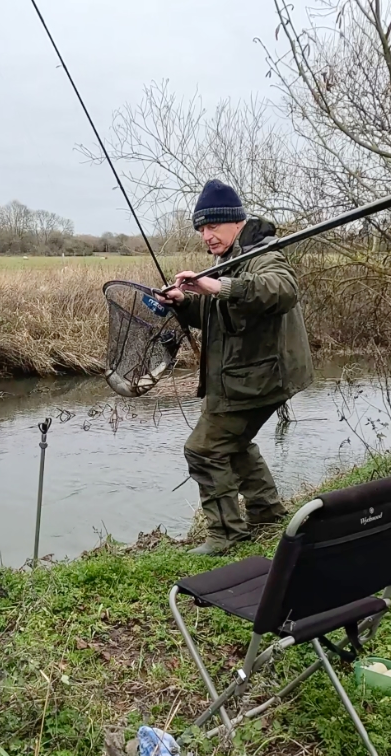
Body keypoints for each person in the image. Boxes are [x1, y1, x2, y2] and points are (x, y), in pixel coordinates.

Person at [157, 179, 313, 554]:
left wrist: (218, 286)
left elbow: (282, 290)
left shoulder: (263, 254)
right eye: (201, 229)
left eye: (212, 226)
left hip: (259, 377)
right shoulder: (229, 258)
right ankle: (268, 513)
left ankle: (226, 534)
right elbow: (218, 315)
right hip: (243, 376)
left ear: (235, 221)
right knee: (235, 444)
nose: (206, 236)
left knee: (203, 449)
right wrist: (183, 302)